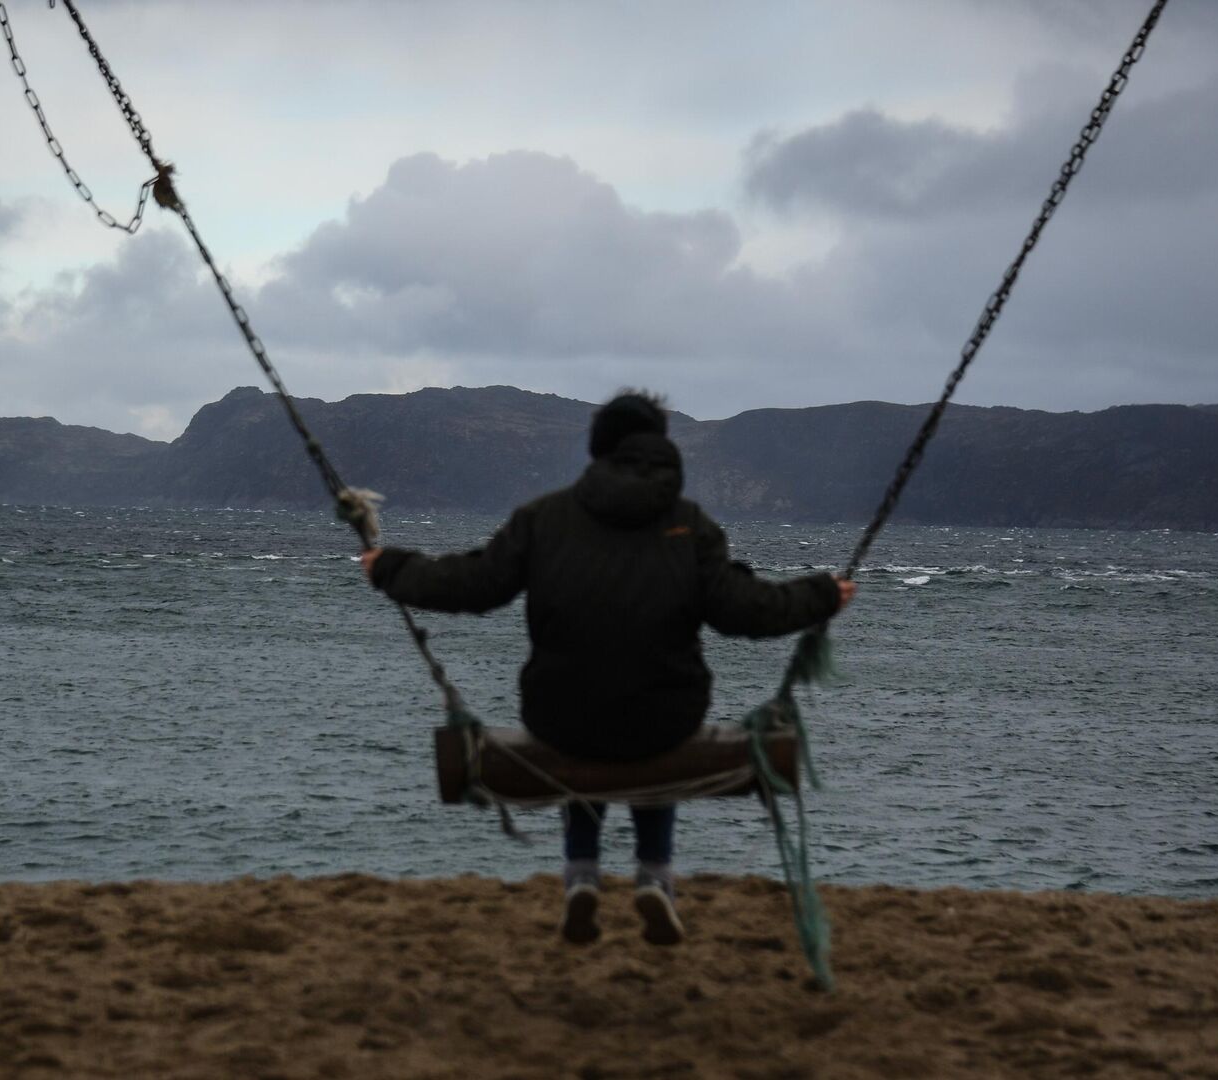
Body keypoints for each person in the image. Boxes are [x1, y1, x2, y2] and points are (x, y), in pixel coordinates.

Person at [360, 391, 853, 945]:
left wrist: (392, 569)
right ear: (659, 449)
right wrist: (822, 594)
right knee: (653, 716)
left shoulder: (544, 519)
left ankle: (582, 878)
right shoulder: (691, 527)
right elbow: (746, 611)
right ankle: (654, 876)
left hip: (562, 720)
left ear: (598, 449)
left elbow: (474, 584)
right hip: (666, 722)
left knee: (583, 716)